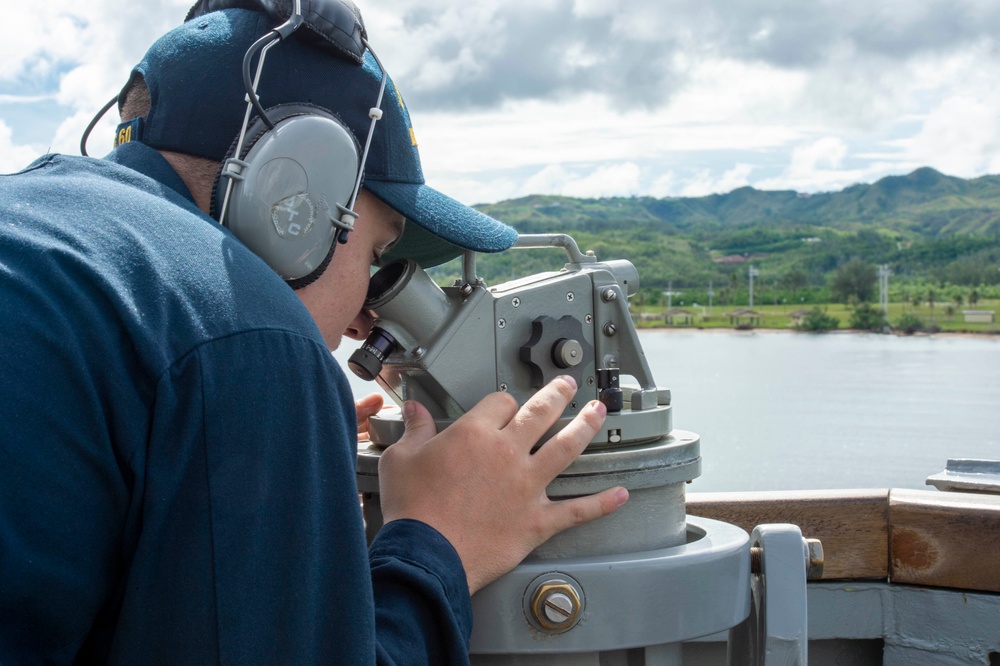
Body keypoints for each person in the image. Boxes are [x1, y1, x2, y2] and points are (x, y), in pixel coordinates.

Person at [0, 2, 628, 664]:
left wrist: (263, 453)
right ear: (289, 200)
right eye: (379, 254)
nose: (365, 317)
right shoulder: (244, 337)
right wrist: (440, 541)